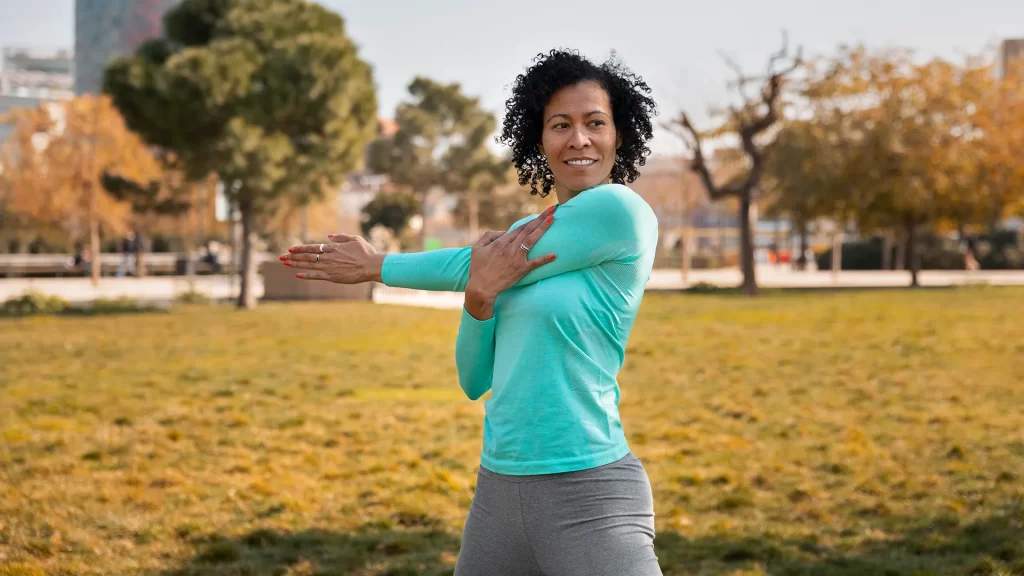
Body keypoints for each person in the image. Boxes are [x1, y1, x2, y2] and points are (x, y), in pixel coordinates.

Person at [281, 49, 662, 576]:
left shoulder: (620, 212)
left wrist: (377, 265)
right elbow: (473, 378)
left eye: (595, 122)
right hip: (498, 496)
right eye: (560, 125)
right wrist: (478, 303)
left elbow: (470, 262)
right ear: (539, 138)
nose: (579, 139)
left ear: (619, 135)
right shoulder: (525, 231)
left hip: (588, 494)